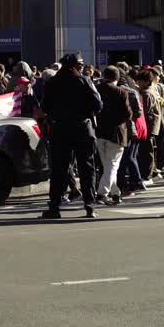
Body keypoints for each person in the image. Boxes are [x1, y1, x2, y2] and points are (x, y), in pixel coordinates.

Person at [39, 53, 103, 219]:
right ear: (76, 66)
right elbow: (98, 104)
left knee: (59, 170)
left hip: (60, 129)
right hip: (83, 128)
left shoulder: (52, 82)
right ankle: (89, 206)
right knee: (87, 169)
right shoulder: (84, 81)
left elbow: (45, 106)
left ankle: (54, 207)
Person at [94, 66, 132, 207]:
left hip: (99, 132)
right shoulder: (121, 92)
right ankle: (102, 193)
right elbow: (128, 114)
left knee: (108, 166)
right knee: (113, 165)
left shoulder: (96, 89)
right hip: (116, 133)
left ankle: (116, 193)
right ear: (117, 78)